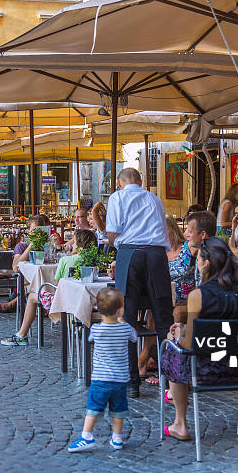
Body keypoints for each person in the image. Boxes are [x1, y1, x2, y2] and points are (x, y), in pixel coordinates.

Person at [161, 237, 238, 441]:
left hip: (204, 372)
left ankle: (180, 423)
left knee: (172, 347)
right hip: (237, 369)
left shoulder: (199, 295)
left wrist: (178, 333)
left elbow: (190, 345)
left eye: (197, 259)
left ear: (206, 263)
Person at [106, 167, 172, 392]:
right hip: (156, 255)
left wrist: (118, 244)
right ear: (141, 180)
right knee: (163, 317)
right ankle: (170, 381)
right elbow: (162, 229)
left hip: (130, 254)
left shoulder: (117, 197)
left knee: (127, 318)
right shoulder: (154, 198)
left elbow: (112, 232)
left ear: (118, 182)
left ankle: (132, 382)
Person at [67, 287, 138, 452]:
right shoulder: (125, 329)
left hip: (100, 379)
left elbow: (90, 339)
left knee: (93, 408)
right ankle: (117, 437)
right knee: (118, 409)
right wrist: (122, 321)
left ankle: (86, 436)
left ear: (99, 309)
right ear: (121, 310)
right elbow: (134, 337)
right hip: (120, 380)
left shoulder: (97, 330)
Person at [1, 229, 96, 346]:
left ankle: (21, 335)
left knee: (32, 296)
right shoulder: (94, 260)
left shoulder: (66, 260)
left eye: (75, 242)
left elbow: (57, 284)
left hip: (64, 302)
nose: (72, 244)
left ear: (79, 245)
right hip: (84, 300)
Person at [138, 216, 195, 385]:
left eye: (163, 230)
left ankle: (148, 360)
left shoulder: (187, 248)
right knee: (153, 310)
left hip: (186, 299)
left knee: (162, 311)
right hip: (164, 298)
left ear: (173, 230)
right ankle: (152, 360)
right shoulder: (157, 253)